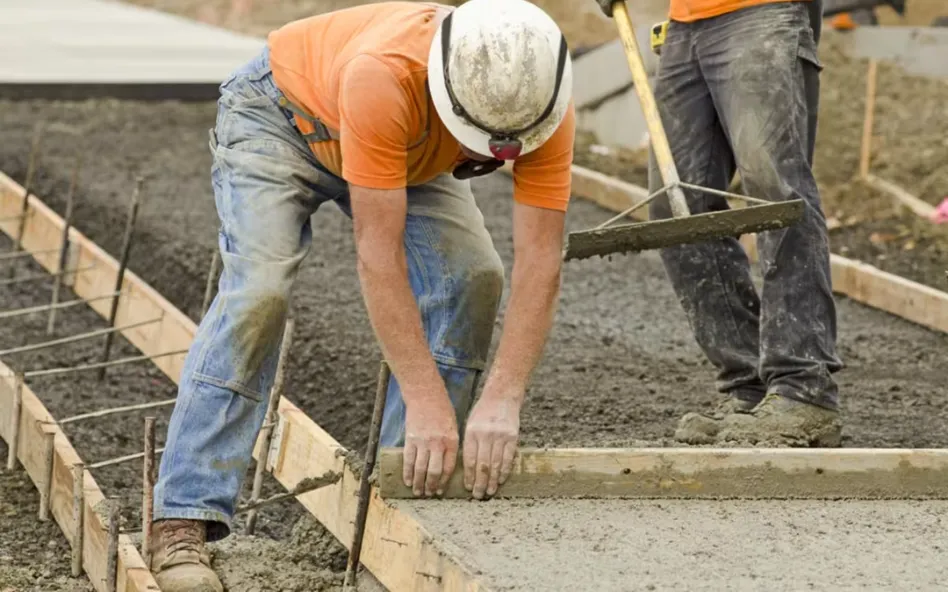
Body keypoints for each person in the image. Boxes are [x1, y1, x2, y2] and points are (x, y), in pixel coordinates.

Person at [148, 1, 575, 590]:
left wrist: (503, 398)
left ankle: (401, 496)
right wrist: (427, 398)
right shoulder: (387, 74)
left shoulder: (542, 102)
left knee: (473, 276)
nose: (490, 158)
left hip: (408, 148)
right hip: (284, 117)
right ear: (448, 97)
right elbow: (379, 253)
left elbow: (541, 261)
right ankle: (183, 515)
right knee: (260, 291)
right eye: (479, 143)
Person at [596, 0, 843, 447]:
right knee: (677, 209)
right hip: (686, 25)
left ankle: (803, 389)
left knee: (776, 195)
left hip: (761, 14)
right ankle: (749, 384)